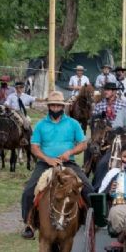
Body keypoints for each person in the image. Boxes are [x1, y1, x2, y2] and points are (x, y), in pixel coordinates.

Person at [20, 91, 93, 239]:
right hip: (45, 163)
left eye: (58, 105)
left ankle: (91, 221)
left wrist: (69, 152)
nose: (55, 108)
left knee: (88, 188)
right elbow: (34, 147)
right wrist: (47, 159)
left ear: (62, 107)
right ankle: (29, 224)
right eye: (52, 105)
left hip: (68, 162)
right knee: (28, 191)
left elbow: (83, 144)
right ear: (49, 107)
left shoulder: (73, 123)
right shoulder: (40, 124)